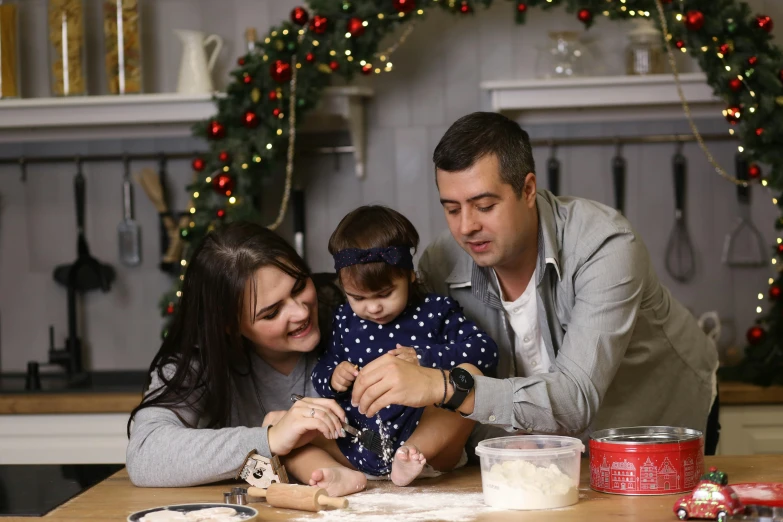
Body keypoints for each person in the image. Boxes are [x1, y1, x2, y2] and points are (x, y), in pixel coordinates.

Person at [349, 112, 720, 455]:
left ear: (527, 190)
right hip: (544, 450)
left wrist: (443, 386)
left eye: (484, 205)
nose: (466, 227)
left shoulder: (606, 246)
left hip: (655, 429)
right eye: (452, 208)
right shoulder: (440, 262)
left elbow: (575, 400)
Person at [126, 222, 350, 488]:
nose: (300, 313)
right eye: (272, 312)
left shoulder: (357, 317)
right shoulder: (200, 357)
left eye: (299, 286)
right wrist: (270, 439)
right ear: (230, 326)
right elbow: (145, 455)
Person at [305, 205, 496, 486]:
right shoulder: (345, 319)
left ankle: (407, 456)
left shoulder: (435, 312)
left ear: (409, 275)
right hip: (360, 442)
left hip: (430, 446)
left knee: (471, 377)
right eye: (358, 298)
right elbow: (321, 370)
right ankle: (345, 477)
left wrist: (424, 357)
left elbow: (486, 351)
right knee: (291, 426)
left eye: (385, 293)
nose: (373, 307)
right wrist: (334, 376)